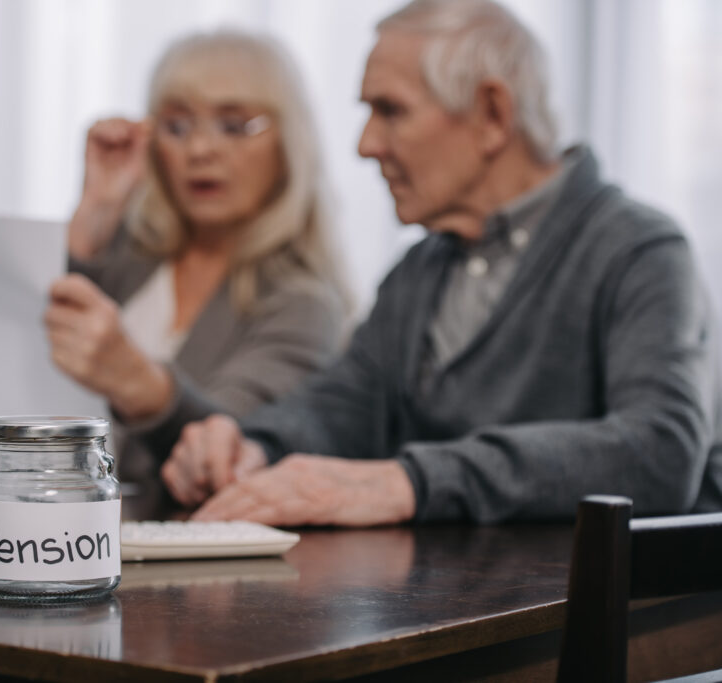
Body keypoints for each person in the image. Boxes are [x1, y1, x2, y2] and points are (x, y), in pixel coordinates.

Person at [159, 0, 722, 524]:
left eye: (390, 111)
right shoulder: (419, 272)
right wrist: (251, 445)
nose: (365, 144)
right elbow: (340, 407)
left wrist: (410, 482)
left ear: (493, 114)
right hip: (467, 612)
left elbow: (659, 454)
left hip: (616, 625)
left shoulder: (638, 249)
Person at [44, 31, 350, 482]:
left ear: (287, 145)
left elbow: (231, 448)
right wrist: (95, 214)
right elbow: (35, 358)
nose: (200, 150)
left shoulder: (303, 305)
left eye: (233, 126)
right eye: (177, 126)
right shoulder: (132, 256)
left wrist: (143, 387)